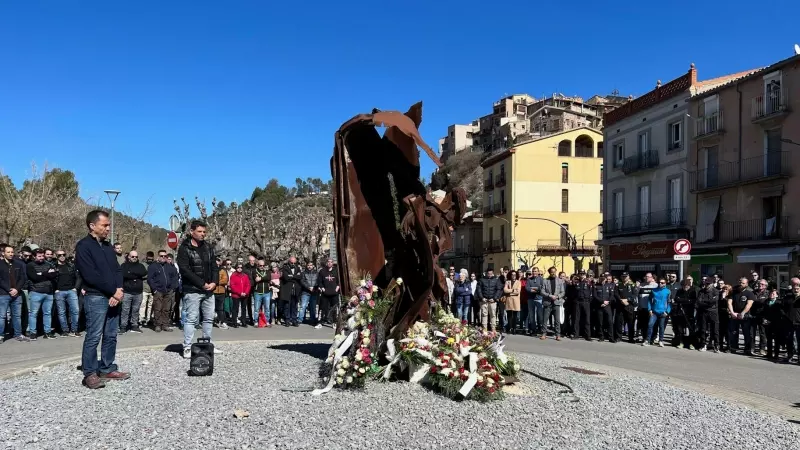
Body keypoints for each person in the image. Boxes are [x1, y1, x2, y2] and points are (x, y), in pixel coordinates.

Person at [75, 210, 129, 389]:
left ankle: (106, 367)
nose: (108, 228)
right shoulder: (83, 246)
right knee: (94, 335)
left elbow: (117, 270)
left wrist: (119, 290)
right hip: (96, 297)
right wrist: (113, 291)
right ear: (92, 226)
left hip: (114, 296)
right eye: (104, 225)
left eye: (108, 225)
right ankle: (89, 373)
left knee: (111, 335)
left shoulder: (107, 246)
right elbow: (91, 276)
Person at [176, 220, 221, 359]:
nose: (202, 234)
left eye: (204, 232)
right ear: (192, 232)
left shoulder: (208, 247)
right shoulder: (184, 248)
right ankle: (187, 346)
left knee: (208, 318)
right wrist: (201, 283)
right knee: (191, 319)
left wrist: (214, 282)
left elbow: (214, 266)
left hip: (209, 289)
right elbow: (185, 270)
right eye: (200, 231)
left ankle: (207, 344)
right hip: (192, 289)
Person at [26, 248, 58, 339]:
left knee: (47, 313)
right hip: (36, 292)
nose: (41, 258)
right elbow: (35, 278)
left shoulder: (49, 264)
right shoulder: (30, 265)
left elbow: (54, 275)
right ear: (34, 256)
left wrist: (41, 273)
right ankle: (33, 332)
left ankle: (47, 332)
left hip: (49, 293)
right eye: (39, 256)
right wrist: (46, 273)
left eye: (42, 256)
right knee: (33, 314)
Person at [0, 243, 29, 342]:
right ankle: (1, 335)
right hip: (3, 294)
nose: (11, 254)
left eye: (12, 252)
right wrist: (9, 289)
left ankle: (18, 334)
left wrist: (17, 289)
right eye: (8, 252)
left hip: (17, 294)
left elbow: (23, 278)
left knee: (17, 315)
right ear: (3, 253)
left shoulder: (19, 264)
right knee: (2, 316)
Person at [54, 249, 81, 337]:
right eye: (59, 255)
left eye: (63, 254)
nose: (62, 256)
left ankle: (74, 329)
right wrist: (55, 289)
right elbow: (50, 278)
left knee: (75, 311)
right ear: (56, 256)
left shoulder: (71, 265)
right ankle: (65, 330)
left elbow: (78, 277)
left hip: (71, 291)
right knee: (61, 312)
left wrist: (75, 288)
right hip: (59, 291)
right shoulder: (53, 266)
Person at [119, 250, 148, 334]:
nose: (135, 258)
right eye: (133, 256)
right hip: (127, 292)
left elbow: (144, 273)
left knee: (136, 310)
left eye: (136, 257)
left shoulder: (141, 266)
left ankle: (134, 325)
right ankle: (123, 326)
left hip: (138, 292)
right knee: (125, 310)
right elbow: (124, 274)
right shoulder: (124, 265)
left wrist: (131, 273)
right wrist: (136, 274)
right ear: (129, 257)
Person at [148, 250, 175, 332]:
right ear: (158, 256)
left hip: (168, 291)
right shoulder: (153, 266)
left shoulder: (169, 266)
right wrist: (155, 289)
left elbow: (174, 277)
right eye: (161, 256)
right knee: (158, 308)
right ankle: (158, 325)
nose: (163, 257)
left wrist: (172, 288)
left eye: (165, 256)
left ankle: (165, 325)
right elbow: (150, 279)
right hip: (158, 290)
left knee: (166, 309)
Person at [727, 277, 755, 355]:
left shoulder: (749, 293)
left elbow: (749, 304)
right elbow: (729, 302)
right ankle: (733, 348)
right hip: (734, 315)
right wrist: (732, 313)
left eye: (743, 283)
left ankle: (747, 349)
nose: (741, 284)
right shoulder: (733, 292)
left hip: (745, 316)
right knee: (733, 332)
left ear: (746, 284)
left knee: (747, 333)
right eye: (740, 282)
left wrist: (742, 313)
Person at [540, 266, 565, 341]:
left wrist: (557, 296)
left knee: (557, 320)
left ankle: (558, 335)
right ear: (549, 272)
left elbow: (563, 292)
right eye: (552, 272)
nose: (553, 273)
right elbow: (542, 291)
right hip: (547, 302)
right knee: (545, 319)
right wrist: (549, 295)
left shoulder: (560, 281)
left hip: (556, 302)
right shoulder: (545, 281)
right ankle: (544, 333)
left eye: (554, 271)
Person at [645, 278, 671, 347]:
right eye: (659, 282)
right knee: (650, 325)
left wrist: (667, 311)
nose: (660, 284)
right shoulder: (653, 290)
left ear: (665, 283)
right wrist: (649, 309)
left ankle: (661, 341)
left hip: (662, 312)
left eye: (662, 283)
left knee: (661, 327)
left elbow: (669, 302)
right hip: (654, 312)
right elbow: (649, 300)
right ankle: (648, 340)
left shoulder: (668, 291)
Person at [695, 277, 719, 352]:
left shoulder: (716, 291)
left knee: (715, 329)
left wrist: (705, 302)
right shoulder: (701, 291)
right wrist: (706, 302)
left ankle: (716, 345)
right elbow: (699, 301)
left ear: (712, 284)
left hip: (713, 312)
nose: (707, 285)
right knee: (703, 329)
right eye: (706, 283)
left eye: (709, 283)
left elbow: (713, 301)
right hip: (704, 312)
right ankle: (703, 344)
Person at [672, 279, 698, 349]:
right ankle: (681, 342)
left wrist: (683, 300)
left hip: (689, 312)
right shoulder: (679, 291)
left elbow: (693, 301)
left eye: (687, 285)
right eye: (683, 285)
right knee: (680, 329)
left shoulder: (693, 291)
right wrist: (686, 300)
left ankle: (691, 343)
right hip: (680, 312)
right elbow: (676, 299)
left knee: (691, 329)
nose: (685, 287)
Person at [279, 256, 303, 327]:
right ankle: (287, 320)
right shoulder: (285, 268)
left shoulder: (298, 268)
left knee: (294, 306)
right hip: (287, 290)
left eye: (294, 263)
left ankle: (294, 320)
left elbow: (300, 277)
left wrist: (292, 276)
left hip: (296, 290)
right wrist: (295, 276)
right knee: (287, 306)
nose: (293, 264)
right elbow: (286, 277)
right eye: (291, 262)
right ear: (289, 262)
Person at [316, 258, 340, 327]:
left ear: (332, 263)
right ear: (326, 263)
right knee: (322, 308)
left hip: (334, 293)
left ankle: (334, 322)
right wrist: (322, 288)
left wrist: (337, 288)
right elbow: (319, 281)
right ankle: (320, 322)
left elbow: (339, 281)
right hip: (325, 293)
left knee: (334, 309)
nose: (329, 263)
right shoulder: (322, 271)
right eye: (328, 262)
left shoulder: (336, 271)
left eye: (331, 262)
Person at [614, 273, 637, 343]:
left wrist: (627, 299)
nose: (624, 278)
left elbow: (634, 295)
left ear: (628, 277)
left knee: (630, 323)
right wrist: (621, 300)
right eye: (623, 276)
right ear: (621, 277)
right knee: (619, 322)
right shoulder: (618, 285)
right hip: (620, 306)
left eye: (625, 276)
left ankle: (631, 338)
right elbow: (616, 294)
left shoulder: (632, 285)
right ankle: (618, 337)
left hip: (629, 306)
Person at [572, 270, 593, 341]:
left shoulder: (588, 282)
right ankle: (576, 334)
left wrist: (589, 300)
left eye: (583, 274)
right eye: (580, 274)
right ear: (578, 275)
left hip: (586, 302)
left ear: (585, 275)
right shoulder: (576, 282)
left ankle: (587, 335)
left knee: (587, 319)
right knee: (576, 319)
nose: (582, 275)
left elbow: (591, 292)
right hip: (577, 302)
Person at [229, 263, 251, 328]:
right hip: (236, 295)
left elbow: (248, 285)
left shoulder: (245, 275)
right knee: (235, 309)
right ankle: (234, 322)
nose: (240, 269)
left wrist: (245, 292)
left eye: (241, 267)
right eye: (238, 267)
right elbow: (232, 286)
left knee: (244, 309)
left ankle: (243, 322)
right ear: (236, 268)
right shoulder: (233, 275)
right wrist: (239, 293)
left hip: (244, 295)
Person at [298, 260, 319, 325]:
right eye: (308, 265)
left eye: (311, 265)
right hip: (305, 292)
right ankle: (300, 319)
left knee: (313, 307)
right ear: (307, 266)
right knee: (303, 306)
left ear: (313, 266)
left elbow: (318, 281)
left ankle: (312, 319)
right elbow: (302, 281)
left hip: (314, 291)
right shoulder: (303, 273)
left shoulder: (317, 273)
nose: (309, 266)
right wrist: (308, 287)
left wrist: (314, 287)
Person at [253, 258, 271, 327]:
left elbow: (268, 277)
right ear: (258, 265)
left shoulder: (268, 271)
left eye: (263, 265)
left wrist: (261, 278)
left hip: (267, 292)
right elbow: (256, 279)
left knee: (267, 308)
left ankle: (267, 321)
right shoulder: (255, 271)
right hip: (258, 292)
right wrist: (263, 278)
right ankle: (256, 321)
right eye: (260, 265)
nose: (262, 267)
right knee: (256, 308)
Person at [525, 268, 544, 336]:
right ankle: (534, 330)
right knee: (532, 316)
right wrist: (533, 290)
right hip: (530, 299)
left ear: (538, 272)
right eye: (533, 271)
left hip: (539, 299)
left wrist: (535, 289)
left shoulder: (541, 279)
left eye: (535, 271)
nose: (534, 272)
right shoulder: (529, 279)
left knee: (540, 315)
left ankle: (541, 329)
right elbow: (527, 288)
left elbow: (542, 287)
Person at [502, 270, 521, 334]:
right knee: (509, 315)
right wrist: (513, 290)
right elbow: (505, 290)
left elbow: (518, 291)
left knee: (515, 316)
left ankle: (514, 328)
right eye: (512, 274)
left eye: (515, 275)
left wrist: (509, 291)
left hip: (516, 300)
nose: (513, 276)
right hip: (509, 300)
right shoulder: (507, 282)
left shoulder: (518, 282)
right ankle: (509, 328)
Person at [213, 256, 229, 329]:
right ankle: (214, 320)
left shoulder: (223, 270)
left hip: (221, 292)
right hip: (213, 291)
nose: (217, 262)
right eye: (216, 260)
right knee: (212, 308)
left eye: (218, 260)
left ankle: (222, 321)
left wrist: (216, 282)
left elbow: (225, 280)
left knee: (220, 308)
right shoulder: (212, 270)